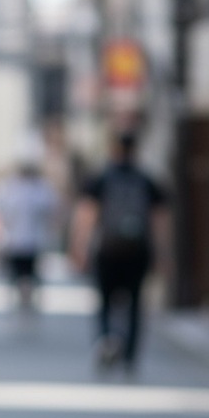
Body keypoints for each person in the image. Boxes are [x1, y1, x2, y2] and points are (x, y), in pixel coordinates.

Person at [70, 131, 168, 371]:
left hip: (107, 250)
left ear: (114, 149)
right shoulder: (147, 180)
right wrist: (162, 253)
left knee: (104, 301)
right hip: (139, 251)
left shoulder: (101, 178)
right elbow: (160, 221)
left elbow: (87, 215)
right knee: (135, 303)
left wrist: (79, 247)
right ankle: (130, 356)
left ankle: (106, 341)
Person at [0, 160, 59, 310]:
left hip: (23, 239)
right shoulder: (36, 188)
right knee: (23, 271)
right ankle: (25, 296)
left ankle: (26, 296)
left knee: (25, 272)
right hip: (25, 239)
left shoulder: (17, 188)